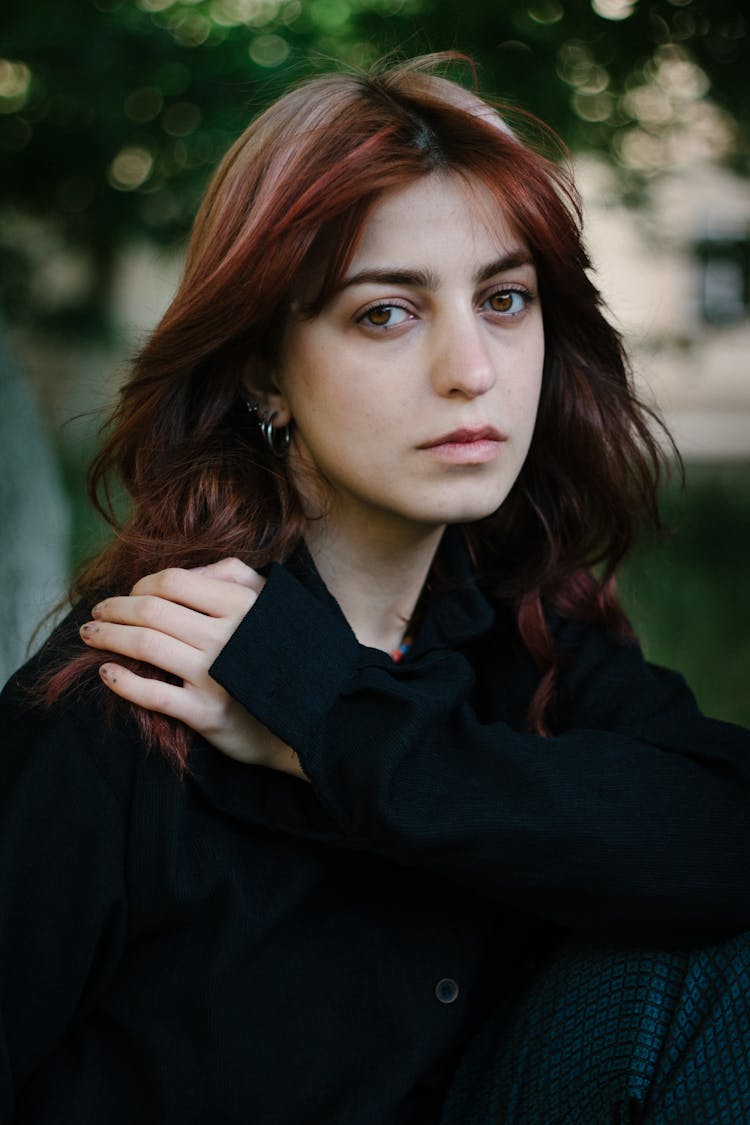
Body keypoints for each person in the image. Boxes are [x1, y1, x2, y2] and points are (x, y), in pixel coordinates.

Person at [1, 53, 749, 1124]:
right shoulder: (126, 698)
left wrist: (341, 725)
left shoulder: (528, 637)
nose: (472, 369)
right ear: (265, 371)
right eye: (385, 314)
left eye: (504, 300)